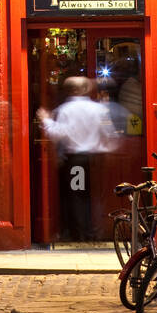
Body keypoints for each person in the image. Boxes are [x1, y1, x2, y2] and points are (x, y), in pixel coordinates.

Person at [37, 77, 116, 243]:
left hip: (77, 160)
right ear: (85, 89)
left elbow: (58, 134)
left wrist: (46, 120)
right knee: (95, 197)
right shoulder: (100, 109)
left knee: (77, 197)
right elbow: (109, 134)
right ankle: (96, 232)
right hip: (96, 160)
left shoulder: (65, 110)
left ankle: (81, 235)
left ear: (70, 90)